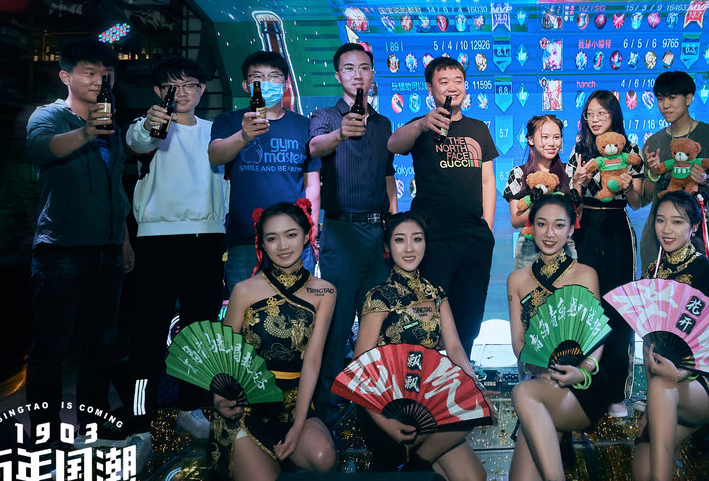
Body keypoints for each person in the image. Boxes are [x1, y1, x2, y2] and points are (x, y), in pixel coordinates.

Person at [209, 201, 336, 481]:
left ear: (307, 235)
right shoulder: (244, 290)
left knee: (323, 457)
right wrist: (220, 397)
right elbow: (222, 354)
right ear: (261, 244)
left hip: (294, 406)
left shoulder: (324, 291)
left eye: (291, 235)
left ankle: (274, 474)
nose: (282, 246)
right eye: (272, 238)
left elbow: (313, 361)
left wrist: (298, 425)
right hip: (245, 412)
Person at [25, 38, 133, 434]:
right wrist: (87, 132)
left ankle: (93, 423)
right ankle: (45, 432)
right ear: (65, 76)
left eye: (106, 73)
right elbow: (43, 149)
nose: (100, 79)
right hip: (61, 251)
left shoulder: (111, 123)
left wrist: (123, 240)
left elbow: (115, 186)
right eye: (89, 72)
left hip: (108, 250)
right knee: (51, 346)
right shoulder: (49, 115)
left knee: (101, 343)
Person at [123, 56, 228, 445]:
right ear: (158, 91)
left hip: (208, 238)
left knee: (200, 332)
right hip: (158, 239)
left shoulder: (217, 132)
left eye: (189, 85)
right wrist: (153, 123)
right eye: (171, 85)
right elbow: (140, 142)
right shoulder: (149, 125)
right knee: (147, 334)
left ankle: (191, 408)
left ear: (202, 90)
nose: (180, 93)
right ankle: (139, 421)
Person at [353, 212, 488, 481]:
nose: (409, 248)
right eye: (399, 240)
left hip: (428, 403)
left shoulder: (435, 293)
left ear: (426, 244)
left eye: (417, 239)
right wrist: (384, 423)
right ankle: (402, 466)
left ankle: (414, 466)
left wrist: (474, 385)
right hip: (388, 409)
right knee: (468, 413)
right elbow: (359, 367)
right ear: (387, 247)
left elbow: (454, 348)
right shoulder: (378, 297)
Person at [506, 194, 608, 481]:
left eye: (559, 225)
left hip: (582, 385)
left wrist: (583, 371)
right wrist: (534, 365)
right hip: (541, 384)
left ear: (571, 230)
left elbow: (597, 335)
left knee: (522, 392)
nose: (550, 233)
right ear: (531, 228)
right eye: (542, 224)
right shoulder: (517, 280)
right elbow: (518, 342)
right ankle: (555, 440)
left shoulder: (586, 274)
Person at [632, 191, 709, 481]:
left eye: (677, 222)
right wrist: (649, 408)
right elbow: (650, 342)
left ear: (694, 227)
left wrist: (682, 372)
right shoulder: (652, 271)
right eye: (661, 220)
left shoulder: (706, 270)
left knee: (662, 385)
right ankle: (688, 433)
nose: (666, 229)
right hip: (664, 388)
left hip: (706, 383)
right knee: (642, 472)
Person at [308, 43, 397, 424]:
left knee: (378, 320)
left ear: (373, 74)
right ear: (337, 75)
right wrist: (341, 134)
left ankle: (370, 403)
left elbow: (388, 176)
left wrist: (393, 223)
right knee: (338, 320)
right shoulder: (326, 117)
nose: (357, 74)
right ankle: (326, 409)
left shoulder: (383, 124)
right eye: (349, 68)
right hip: (341, 232)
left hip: (379, 232)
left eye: (364, 68)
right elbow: (315, 147)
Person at [388, 56, 498, 358]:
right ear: (430, 88)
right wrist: (422, 124)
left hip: (473, 238)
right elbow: (393, 145)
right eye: (444, 81)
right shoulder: (420, 127)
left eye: (458, 81)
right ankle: (426, 377)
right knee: (427, 317)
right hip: (432, 238)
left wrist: (487, 229)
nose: (452, 87)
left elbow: (488, 180)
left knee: (469, 317)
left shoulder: (478, 128)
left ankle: (461, 376)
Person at [209, 51, 320, 295]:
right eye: (258, 77)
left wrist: (311, 233)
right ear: (246, 85)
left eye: (274, 77)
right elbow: (215, 156)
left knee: (298, 308)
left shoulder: (304, 125)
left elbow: (311, 183)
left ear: (286, 83)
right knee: (245, 310)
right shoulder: (229, 121)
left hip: (293, 239)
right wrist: (244, 136)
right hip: (246, 238)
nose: (266, 84)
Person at [566, 90, 645, 417]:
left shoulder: (631, 150)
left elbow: (637, 202)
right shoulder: (580, 150)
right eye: (590, 114)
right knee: (584, 308)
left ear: (614, 115)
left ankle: (615, 393)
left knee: (618, 309)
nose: (595, 119)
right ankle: (583, 387)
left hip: (617, 230)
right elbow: (572, 202)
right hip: (585, 229)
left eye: (602, 113)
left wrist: (627, 187)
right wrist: (577, 183)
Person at [640, 71, 709, 279]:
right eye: (660, 99)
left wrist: (705, 179)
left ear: (689, 98)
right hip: (659, 242)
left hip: (701, 238)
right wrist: (654, 174)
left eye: (672, 98)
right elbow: (645, 197)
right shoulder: (654, 142)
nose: (665, 105)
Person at [503, 113, 577, 270]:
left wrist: (578, 186)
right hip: (529, 245)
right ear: (530, 139)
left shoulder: (570, 171)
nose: (551, 143)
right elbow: (515, 220)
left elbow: (577, 216)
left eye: (556, 137)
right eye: (545, 137)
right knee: (527, 286)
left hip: (564, 244)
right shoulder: (518, 173)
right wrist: (542, 207)